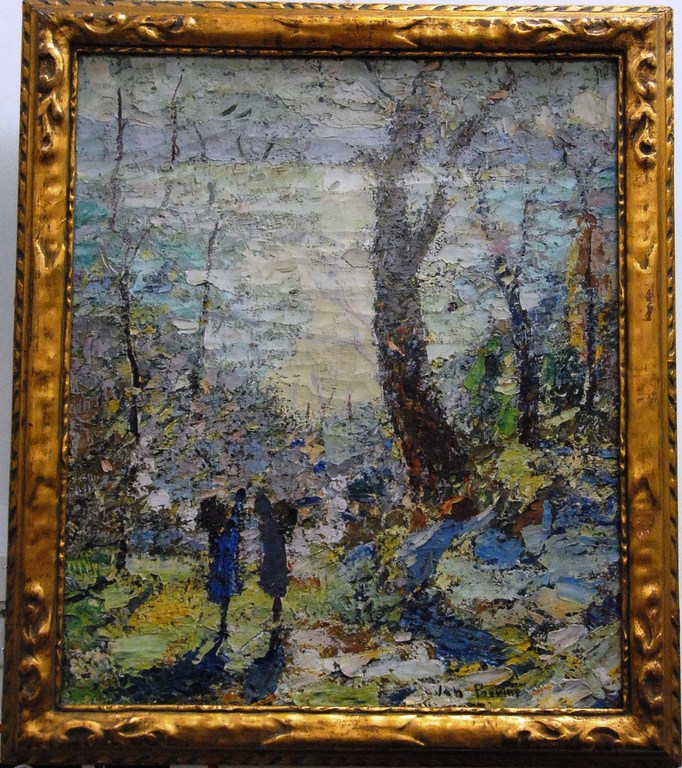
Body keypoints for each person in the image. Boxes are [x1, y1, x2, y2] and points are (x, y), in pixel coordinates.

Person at [198, 488, 245, 643]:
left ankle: (222, 625)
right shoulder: (225, 532)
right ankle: (222, 625)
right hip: (224, 567)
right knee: (224, 595)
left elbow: (235, 515)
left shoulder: (222, 533)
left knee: (224, 595)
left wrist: (239, 502)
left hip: (223, 566)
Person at [255, 491, 297, 622]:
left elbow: (267, 572)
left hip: (274, 555)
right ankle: (262, 502)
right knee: (271, 529)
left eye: (276, 606)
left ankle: (262, 502)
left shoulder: (274, 588)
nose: (277, 604)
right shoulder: (276, 589)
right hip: (276, 555)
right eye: (278, 606)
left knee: (271, 529)